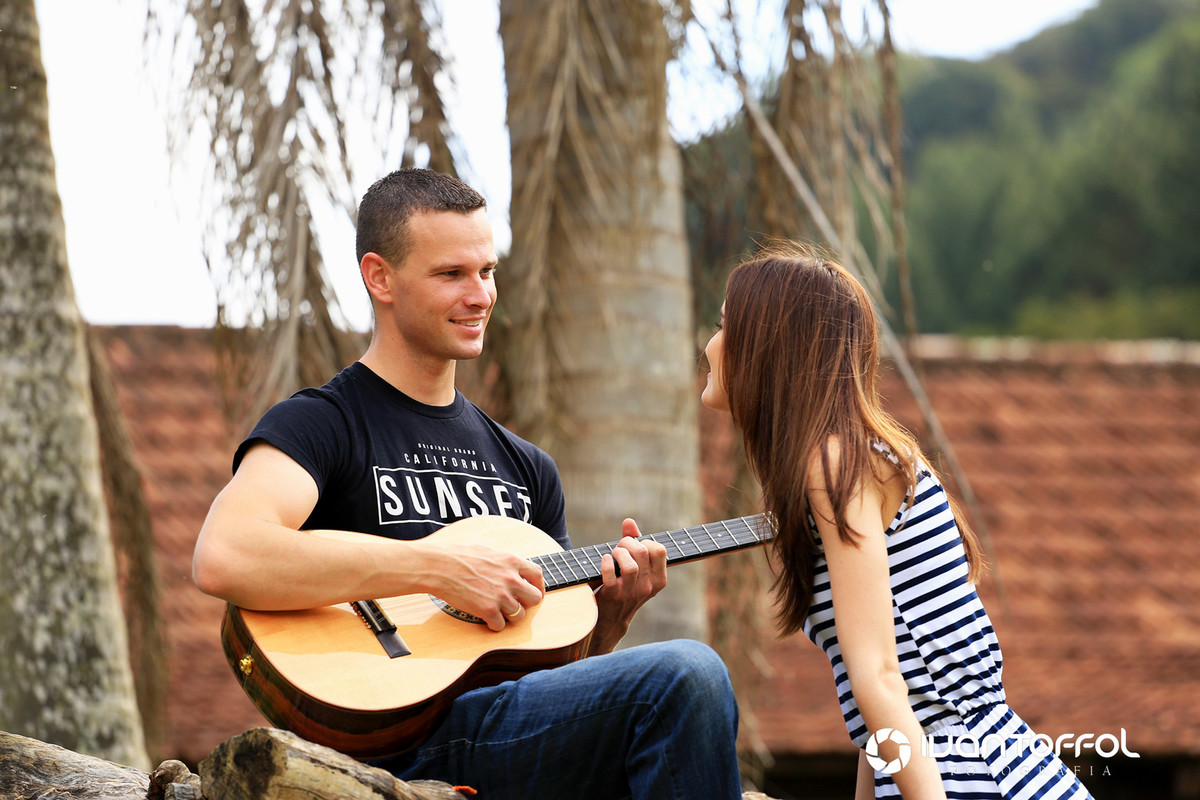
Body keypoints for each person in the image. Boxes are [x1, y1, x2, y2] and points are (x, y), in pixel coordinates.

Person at [192, 168, 742, 799]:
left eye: (487, 271)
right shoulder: (322, 423)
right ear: (380, 278)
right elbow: (224, 554)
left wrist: (609, 622)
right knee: (689, 672)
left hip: (504, 739)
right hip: (387, 740)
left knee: (677, 686)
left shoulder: (528, 466)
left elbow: (551, 671)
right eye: (452, 274)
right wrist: (439, 570)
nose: (480, 295)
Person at [699, 243, 1094, 800]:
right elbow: (879, 711)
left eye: (723, 327)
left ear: (767, 349)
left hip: (965, 772)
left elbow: (881, 681)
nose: (709, 344)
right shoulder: (850, 458)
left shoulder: (834, 463)